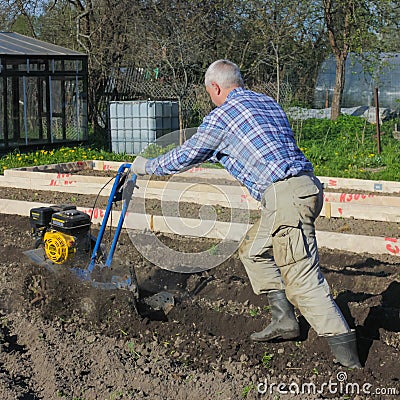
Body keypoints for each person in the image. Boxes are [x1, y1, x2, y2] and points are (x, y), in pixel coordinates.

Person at [130, 59, 362, 368]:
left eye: (209, 92)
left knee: (302, 278)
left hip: (285, 196)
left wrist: (145, 166)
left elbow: (188, 153)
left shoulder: (223, 115)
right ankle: (284, 321)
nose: (210, 98)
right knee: (253, 250)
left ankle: (350, 363)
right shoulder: (266, 103)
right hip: (305, 187)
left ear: (216, 87)